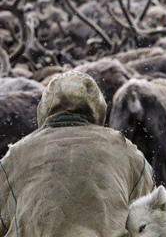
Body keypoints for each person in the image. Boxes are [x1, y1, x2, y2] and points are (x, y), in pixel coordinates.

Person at [0, 71, 155, 237]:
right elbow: (149, 211)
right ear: (97, 107)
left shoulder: (15, 156)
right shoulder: (124, 150)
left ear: (45, 108)